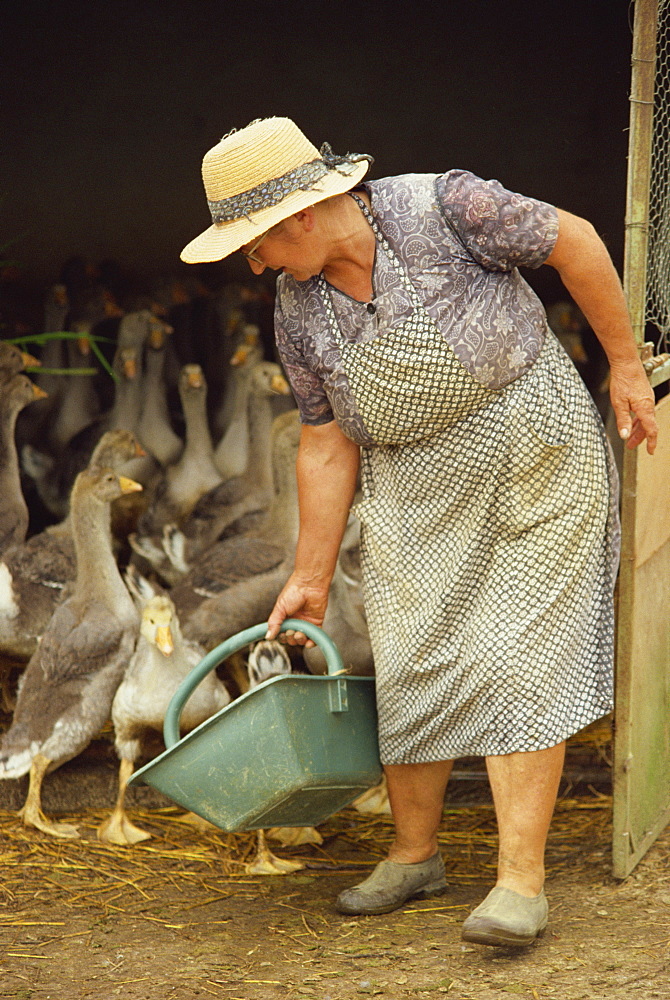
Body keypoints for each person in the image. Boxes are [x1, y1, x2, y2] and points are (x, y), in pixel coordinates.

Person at [181, 117, 657, 947]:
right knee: (410, 650)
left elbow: (574, 241)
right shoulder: (297, 309)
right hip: (413, 486)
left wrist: (621, 361)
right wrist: (311, 572)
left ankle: (519, 881)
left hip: (529, 455)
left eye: (252, 244)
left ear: (298, 215)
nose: (251, 264)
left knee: (518, 653)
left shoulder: (446, 208)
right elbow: (326, 441)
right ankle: (415, 855)